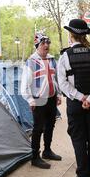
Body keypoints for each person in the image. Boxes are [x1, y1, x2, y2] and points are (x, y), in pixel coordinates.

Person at [58, 19, 90, 177]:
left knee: (79, 139)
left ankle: (83, 176)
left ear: (71, 35)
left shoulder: (64, 56)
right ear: (84, 35)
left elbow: (62, 83)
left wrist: (80, 97)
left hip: (75, 104)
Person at [21, 33, 62, 169]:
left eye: (48, 43)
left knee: (50, 124)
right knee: (38, 128)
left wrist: (58, 94)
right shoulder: (31, 61)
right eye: (43, 43)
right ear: (37, 45)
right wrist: (30, 99)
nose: (46, 45)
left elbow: (55, 78)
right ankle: (35, 157)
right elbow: (24, 84)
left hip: (51, 97)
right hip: (38, 99)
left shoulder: (52, 60)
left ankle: (47, 151)